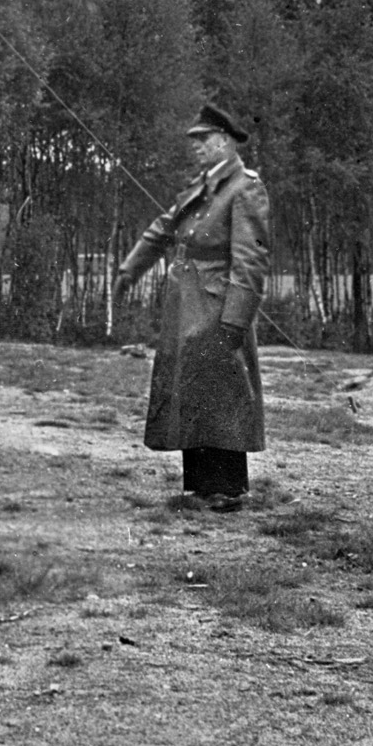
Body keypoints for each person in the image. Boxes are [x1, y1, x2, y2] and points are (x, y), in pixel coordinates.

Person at [114, 103, 270, 512]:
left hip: (219, 303)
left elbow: (250, 261)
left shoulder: (244, 187)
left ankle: (228, 488)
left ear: (227, 141)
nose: (197, 146)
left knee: (223, 392)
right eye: (195, 140)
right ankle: (200, 485)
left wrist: (236, 319)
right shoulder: (204, 186)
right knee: (194, 390)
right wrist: (130, 268)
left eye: (203, 139)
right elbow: (164, 227)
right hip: (189, 304)